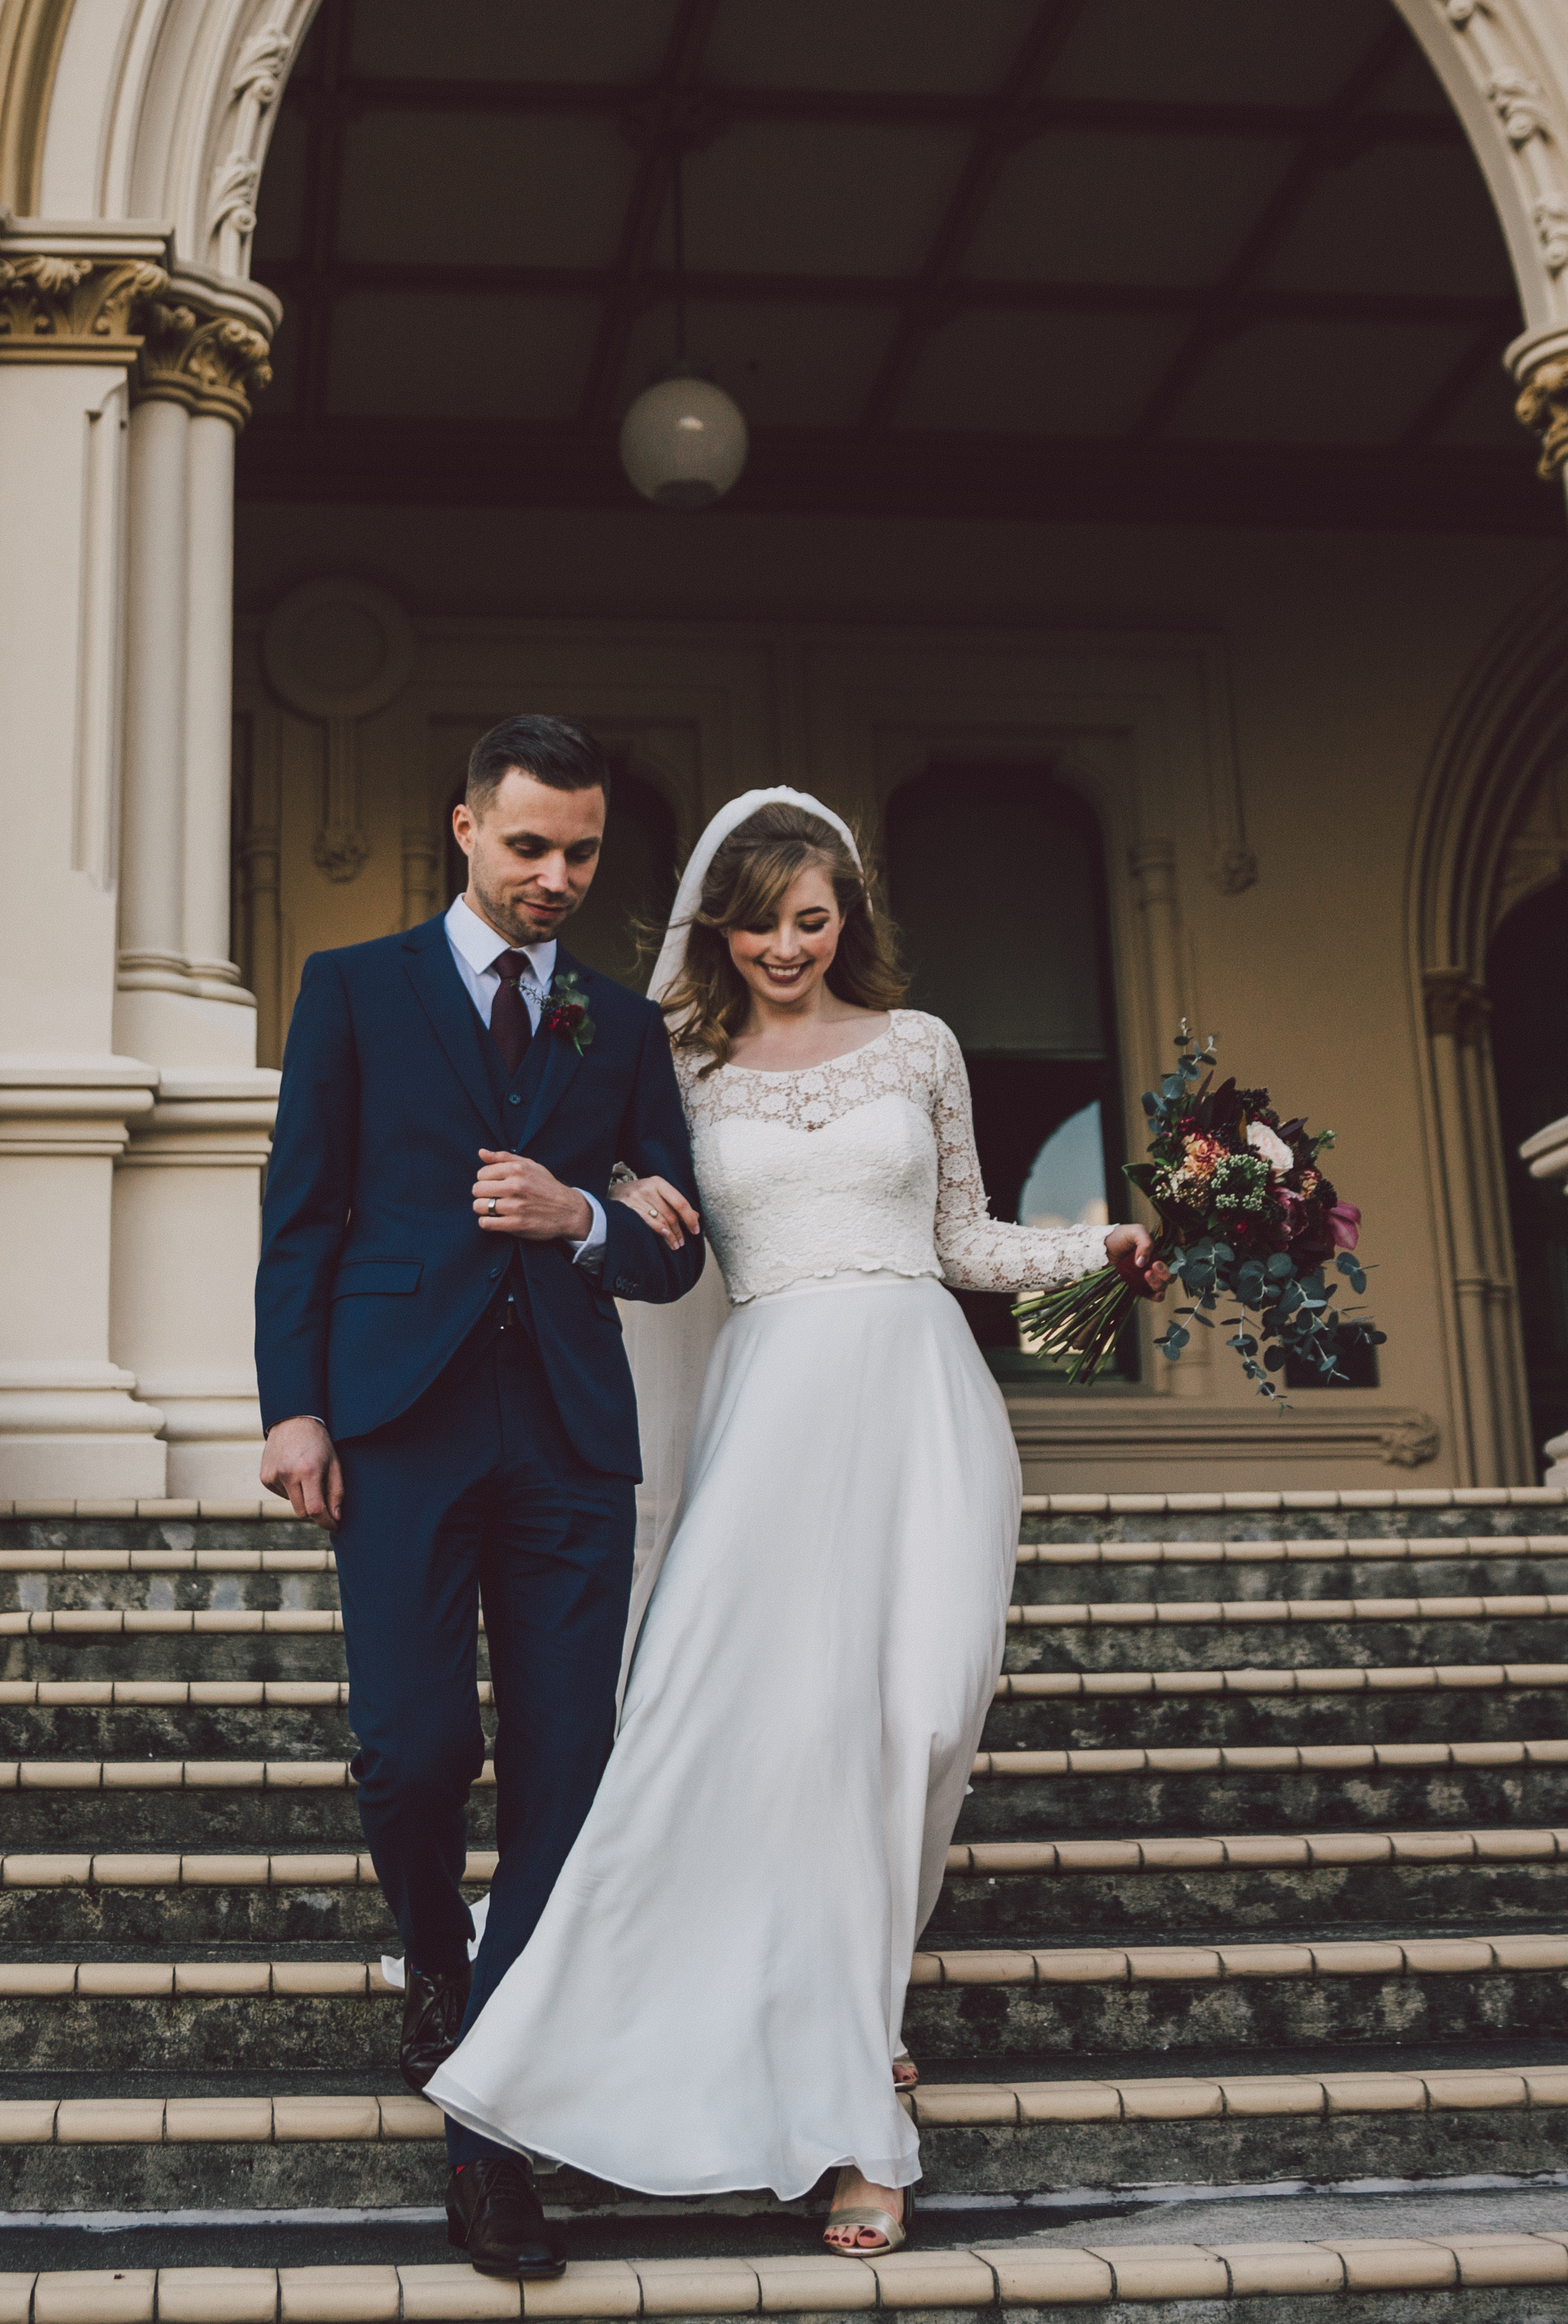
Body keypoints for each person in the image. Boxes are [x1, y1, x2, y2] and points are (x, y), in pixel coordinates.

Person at [421, 788, 1164, 2255]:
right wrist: (606, 1195)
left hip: (924, 1400)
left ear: (849, 917)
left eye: (810, 919)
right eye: (757, 922)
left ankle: (854, 2015)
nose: (783, 945)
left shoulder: (922, 1046)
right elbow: (639, 1242)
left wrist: (1099, 1251)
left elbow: (962, 1238)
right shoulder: (672, 1063)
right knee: (783, 1738)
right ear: (720, 926)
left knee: (922, 1719)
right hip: (772, 1409)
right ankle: (854, 2116)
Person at [252, 713, 708, 2282]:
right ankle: (435, 1956)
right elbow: (300, 1207)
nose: (557, 877)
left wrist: (583, 1214)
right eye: (530, 847)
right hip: (397, 1417)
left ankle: (489, 2140)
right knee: (416, 1748)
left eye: (581, 852)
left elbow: (674, 1238)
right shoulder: (353, 989)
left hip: (572, 1433)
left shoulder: (623, 1028)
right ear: (465, 828)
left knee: (565, 1780)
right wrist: (294, 1406)